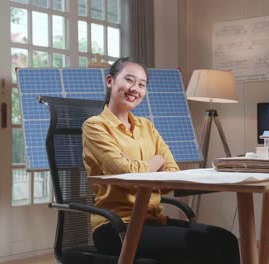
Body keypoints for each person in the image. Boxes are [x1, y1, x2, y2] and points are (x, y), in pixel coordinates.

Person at [82, 57, 240, 264]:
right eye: (129, 80)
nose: (135, 89)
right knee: (201, 244)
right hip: (117, 226)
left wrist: (142, 168)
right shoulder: (95, 126)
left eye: (141, 84)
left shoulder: (146, 126)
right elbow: (125, 172)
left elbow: (171, 173)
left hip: (155, 221)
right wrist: (156, 161)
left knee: (225, 239)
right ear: (110, 81)